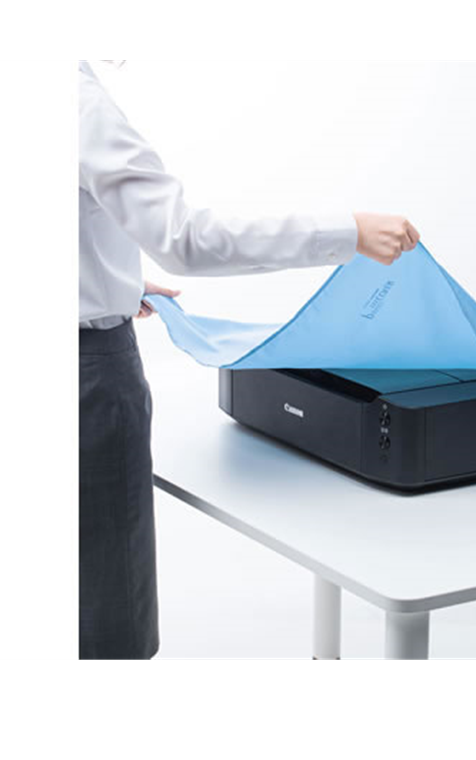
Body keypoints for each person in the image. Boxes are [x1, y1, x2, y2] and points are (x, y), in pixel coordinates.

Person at [78, 60, 420, 659]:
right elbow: (186, 240)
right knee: (106, 620)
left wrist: (101, 281)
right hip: (86, 383)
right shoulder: (76, 100)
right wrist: (349, 232)